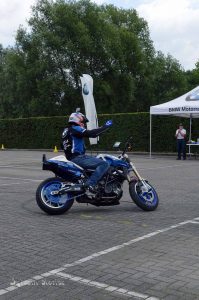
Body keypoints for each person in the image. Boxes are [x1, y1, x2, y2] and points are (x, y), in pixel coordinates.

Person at [61, 111, 113, 192]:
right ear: (77, 120)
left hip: (71, 158)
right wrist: (105, 126)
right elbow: (92, 133)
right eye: (83, 122)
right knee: (104, 163)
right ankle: (90, 184)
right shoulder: (75, 128)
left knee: (97, 160)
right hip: (78, 158)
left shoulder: (66, 131)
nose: (84, 124)